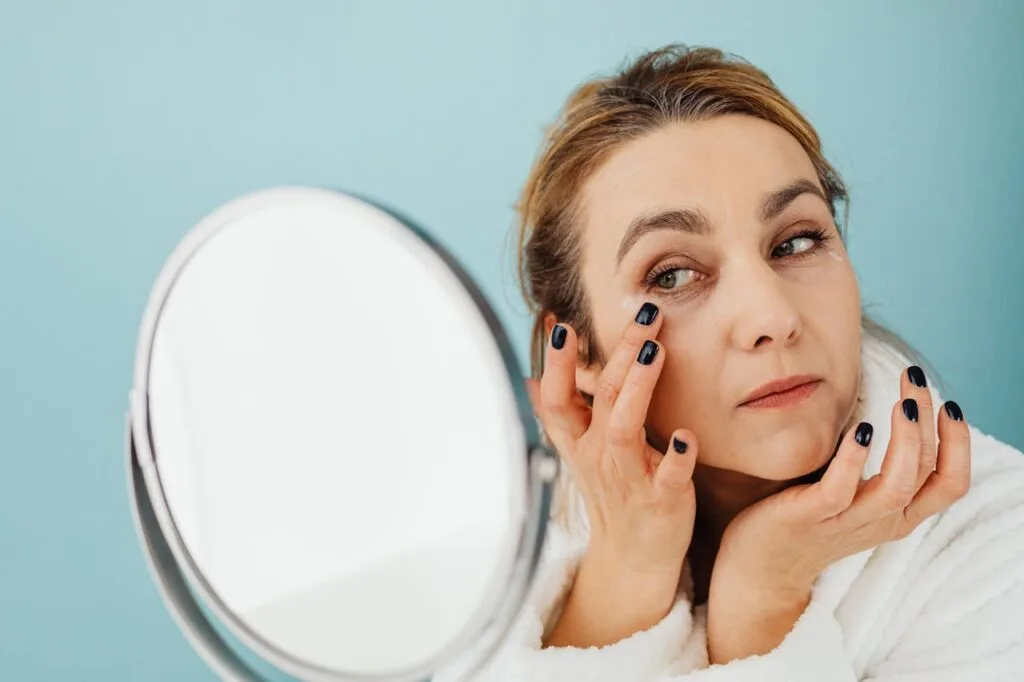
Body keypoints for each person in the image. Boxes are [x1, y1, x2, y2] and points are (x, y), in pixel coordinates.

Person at [473, 45, 1024, 680]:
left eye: (796, 241)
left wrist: (762, 594)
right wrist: (627, 570)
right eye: (673, 275)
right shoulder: (486, 538)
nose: (771, 316)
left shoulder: (998, 550)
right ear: (579, 352)